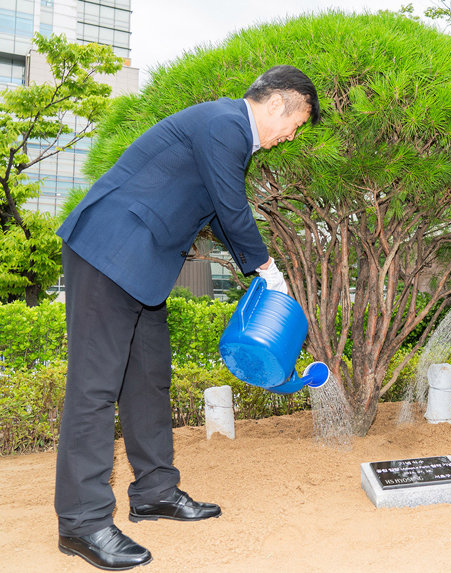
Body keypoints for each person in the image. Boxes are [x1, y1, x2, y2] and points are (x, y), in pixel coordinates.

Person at [54, 65, 320, 571]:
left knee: (148, 380)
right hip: (109, 250)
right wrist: (267, 267)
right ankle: (82, 522)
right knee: (93, 389)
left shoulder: (225, 132)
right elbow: (232, 205)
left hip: (141, 266)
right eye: (298, 123)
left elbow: (220, 213)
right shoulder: (225, 123)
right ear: (281, 103)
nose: (291, 137)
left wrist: (258, 274)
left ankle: (155, 491)